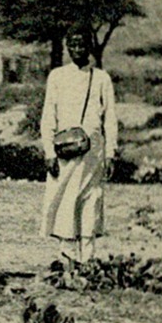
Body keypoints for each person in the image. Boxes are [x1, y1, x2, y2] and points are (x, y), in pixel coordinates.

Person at [40, 29, 118, 265]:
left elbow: (110, 119)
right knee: (64, 199)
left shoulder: (101, 78)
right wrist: (48, 152)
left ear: (90, 47)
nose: (77, 49)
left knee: (91, 198)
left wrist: (111, 154)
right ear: (66, 48)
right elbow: (48, 116)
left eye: (82, 44)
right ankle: (67, 257)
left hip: (93, 153)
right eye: (72, 45)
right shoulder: (57, 76)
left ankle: (88, 256)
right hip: (64, 152)